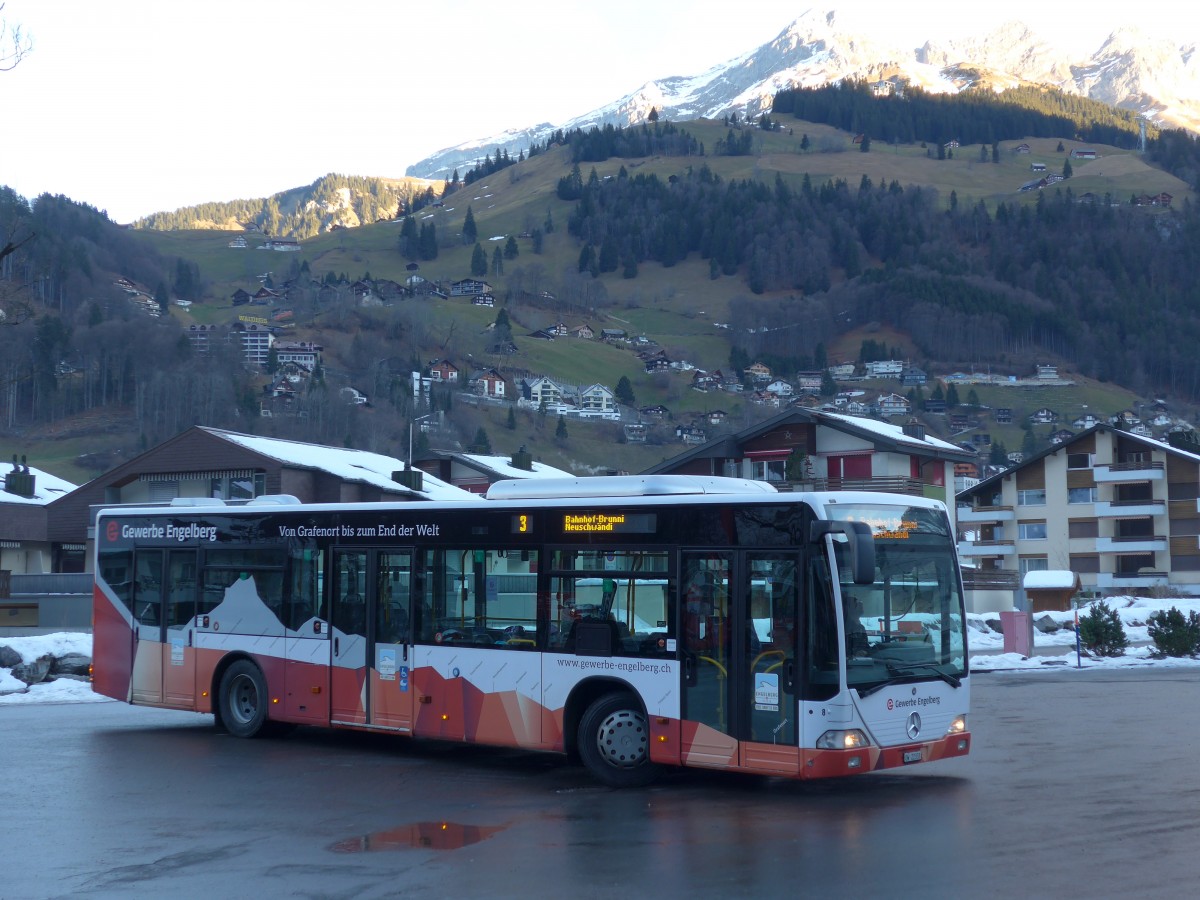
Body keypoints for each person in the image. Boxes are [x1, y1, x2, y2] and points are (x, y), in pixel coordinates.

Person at [844, 593, 869, 657]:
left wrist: (866, 651)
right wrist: (856, 653)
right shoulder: (843, 628)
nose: (861, 608)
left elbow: (865, 646)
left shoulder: (861, 628)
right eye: (857, 605)